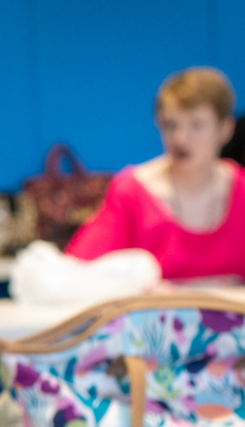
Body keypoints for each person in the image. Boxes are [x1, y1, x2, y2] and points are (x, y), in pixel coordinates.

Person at [68, 67, 245, 282]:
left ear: (225, 129)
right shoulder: (133, 192)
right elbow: (75, 273)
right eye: (171, 125)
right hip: (153, 315)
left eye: (196, 125)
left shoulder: (241, 189)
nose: (180, 138)